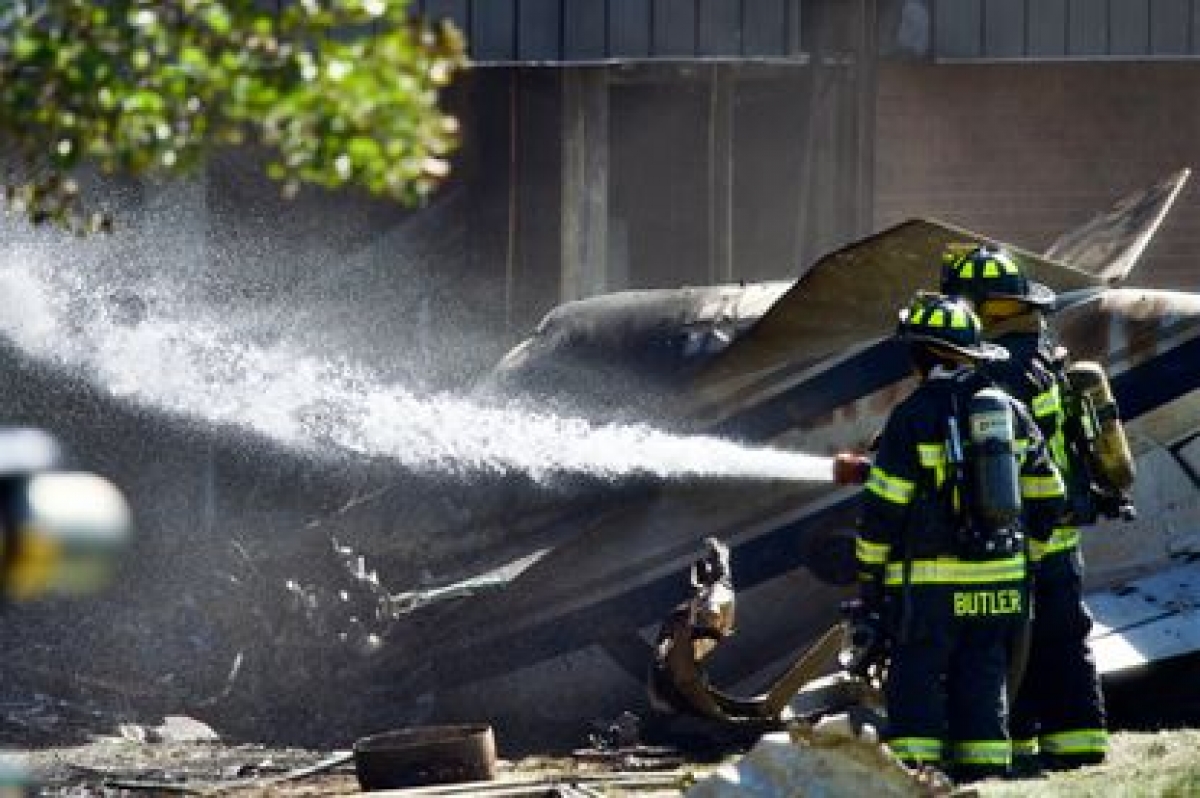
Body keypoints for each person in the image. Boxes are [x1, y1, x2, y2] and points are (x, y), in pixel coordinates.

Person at [854, 292, 1065, 781]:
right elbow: (1049, 494)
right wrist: (1027, 557)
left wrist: (870, 572)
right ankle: (986, 776)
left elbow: (884, 507)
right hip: (1002, 582)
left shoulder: (912, 417)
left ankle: (917, 775)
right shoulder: (1009, 410)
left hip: (932, 587)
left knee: (918, 678)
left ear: (923, 354)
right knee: (984, 676)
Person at [941, 244, 1116, 771]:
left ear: (986, 309)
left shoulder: (1000, 373)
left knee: (1009, 643)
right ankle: (1077, 747)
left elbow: (1006, 456)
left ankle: (1016, 748)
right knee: (1062, 642)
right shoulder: (1044, 355)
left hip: (1025, 531)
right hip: (1058, 529)